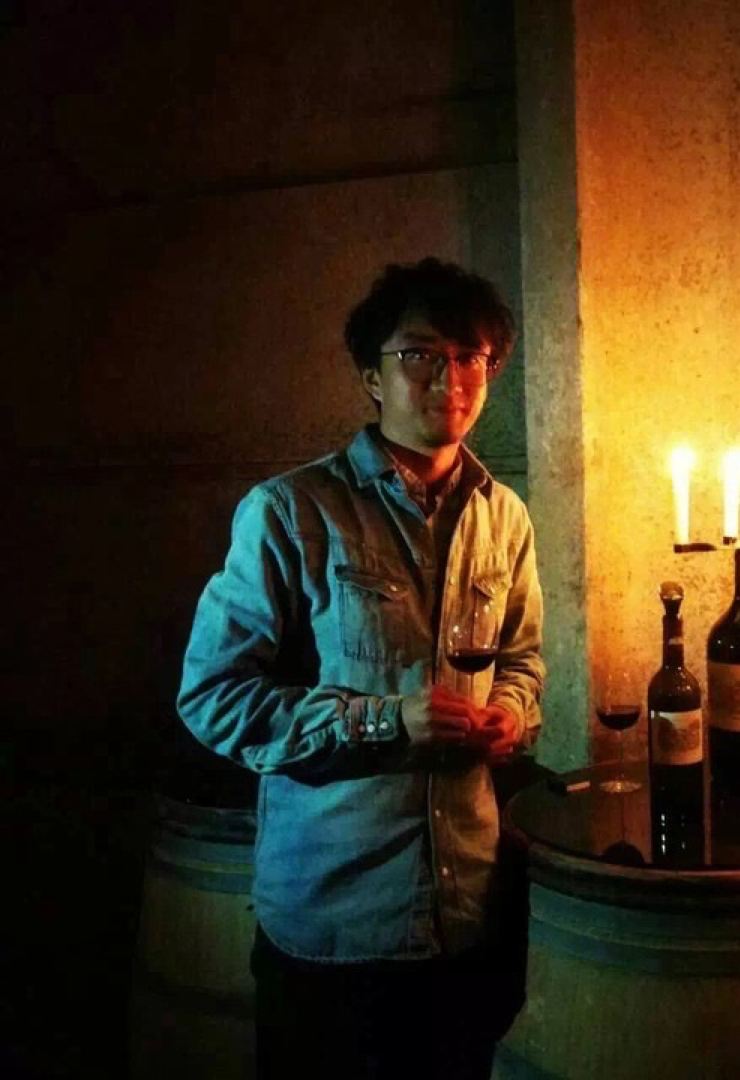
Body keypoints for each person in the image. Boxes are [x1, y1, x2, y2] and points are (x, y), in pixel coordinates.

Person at [177, 257, 545, 1079]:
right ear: (371, 378)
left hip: (469, 915)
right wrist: (384, 719)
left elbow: (521, 660)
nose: (450, 378)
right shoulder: (291, 511)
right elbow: (212, 697)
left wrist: (513, 714)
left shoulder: (505, 516)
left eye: (471, 356)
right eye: (420, 354)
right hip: (338, 926)